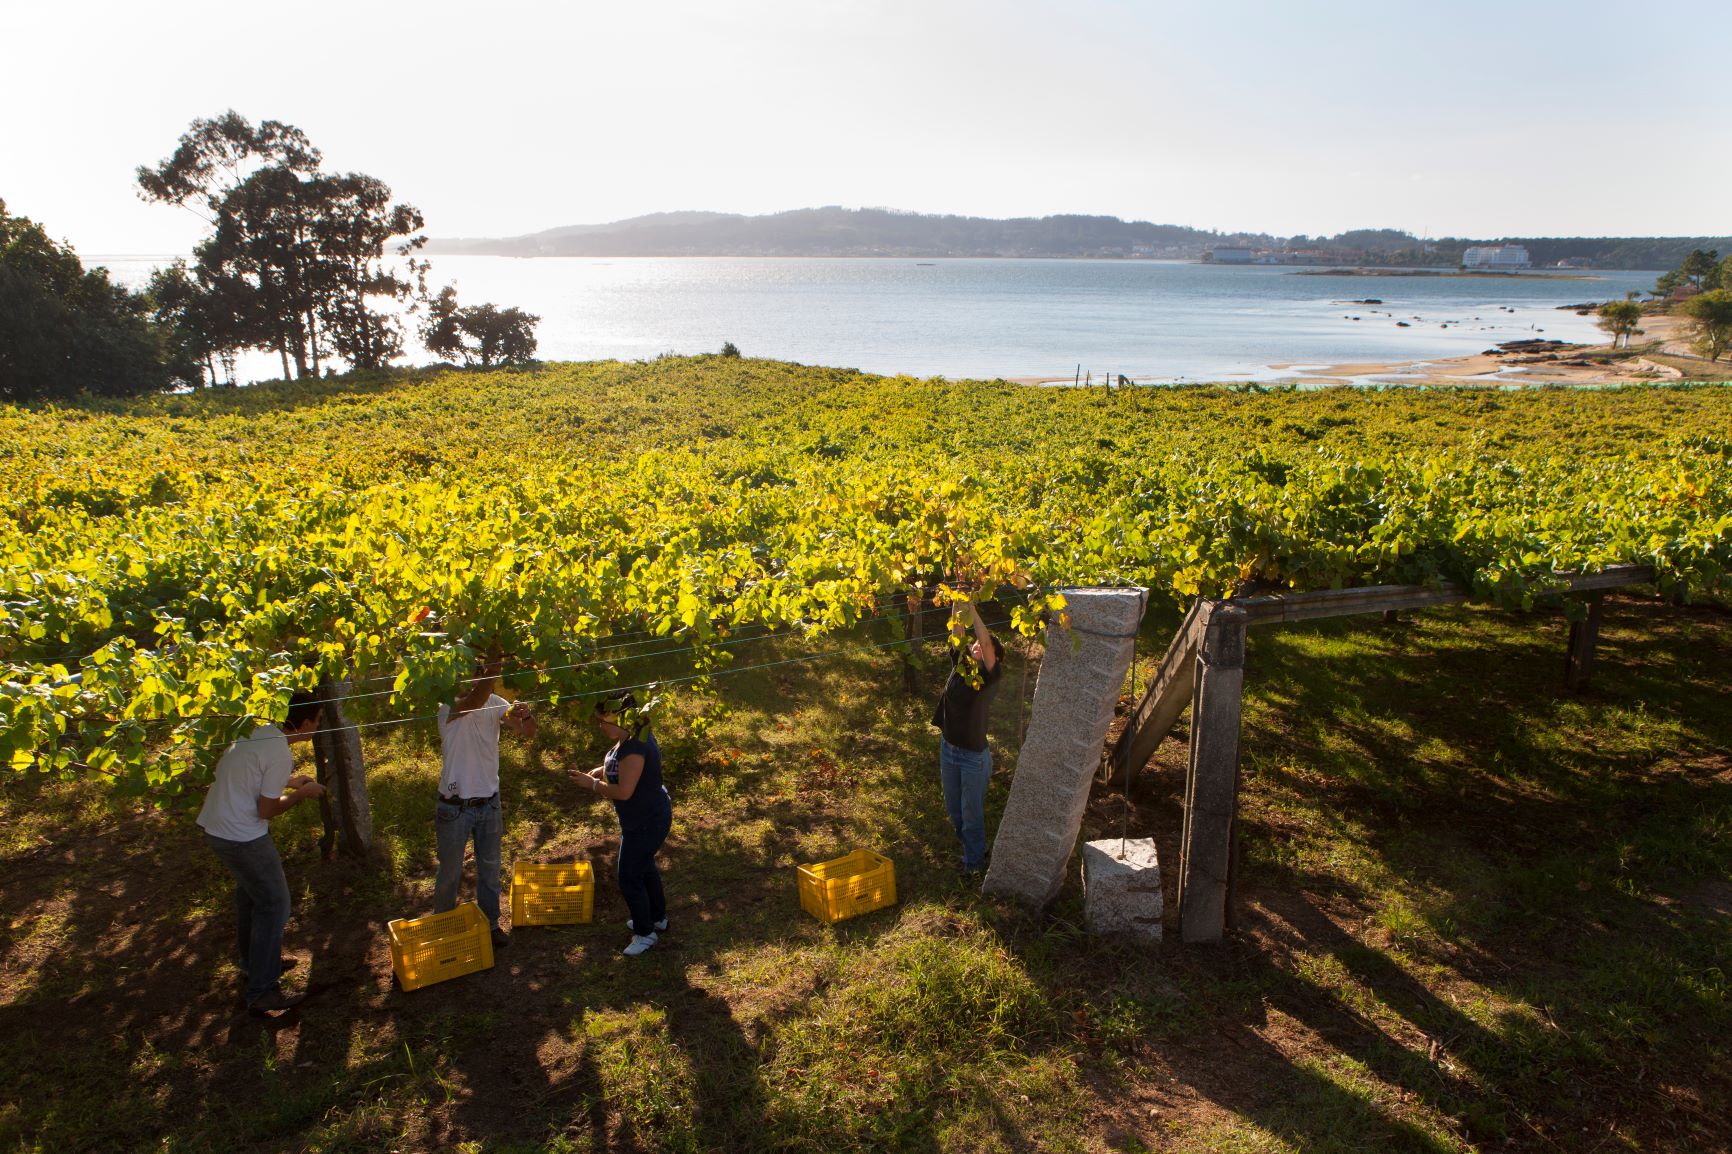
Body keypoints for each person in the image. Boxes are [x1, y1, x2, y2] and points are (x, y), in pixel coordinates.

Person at [197, 691, 326, 1015]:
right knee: (275, 904)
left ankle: (253, 963)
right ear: (305, 723)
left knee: (251, 898)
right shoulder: (280, 752)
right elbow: (266, 810)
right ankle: (262, 991)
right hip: (242, 837)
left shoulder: (258, 731)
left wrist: (290, 781)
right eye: (317, 721)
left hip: (218, 827)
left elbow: (251, 773)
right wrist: (302, 794)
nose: (318, 727)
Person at [435, 654, 536, 948]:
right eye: (468, 674)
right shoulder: (448, 706)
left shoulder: (495, 703)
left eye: (478, 672)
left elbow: (528, 733)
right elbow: (474, 700)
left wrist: (525, 715)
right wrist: (496, 664)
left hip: (489, 803)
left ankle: (491, 924)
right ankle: (442, 930)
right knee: (450, 872)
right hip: (454, 808)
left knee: (490, 868)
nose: (473, 679)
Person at [570, 692, 673, 956]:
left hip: (646, 821)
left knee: (629, 877)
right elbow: (622, 765)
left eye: (603, 721)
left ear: (622, 718)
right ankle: (657, 918)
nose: (600, 726)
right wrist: (603, 770)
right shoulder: (632, 735)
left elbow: (624, 792)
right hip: (642, 818)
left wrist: (593, 784)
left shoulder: (635, 748)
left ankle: (645, 933)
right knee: (645, 867)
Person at [930, 597, 1004, 876]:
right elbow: (957, 631)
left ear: (993, 658)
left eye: (985, 647)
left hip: (973, 757)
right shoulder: (961, 665)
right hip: (948, 749)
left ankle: (974, 865)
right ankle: (974, 849)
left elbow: (985, 641)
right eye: (976, 645)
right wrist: (958, 599)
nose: (978, 646)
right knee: (955, 810)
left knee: (971, 814)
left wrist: (972, 609)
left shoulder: (989, 679)